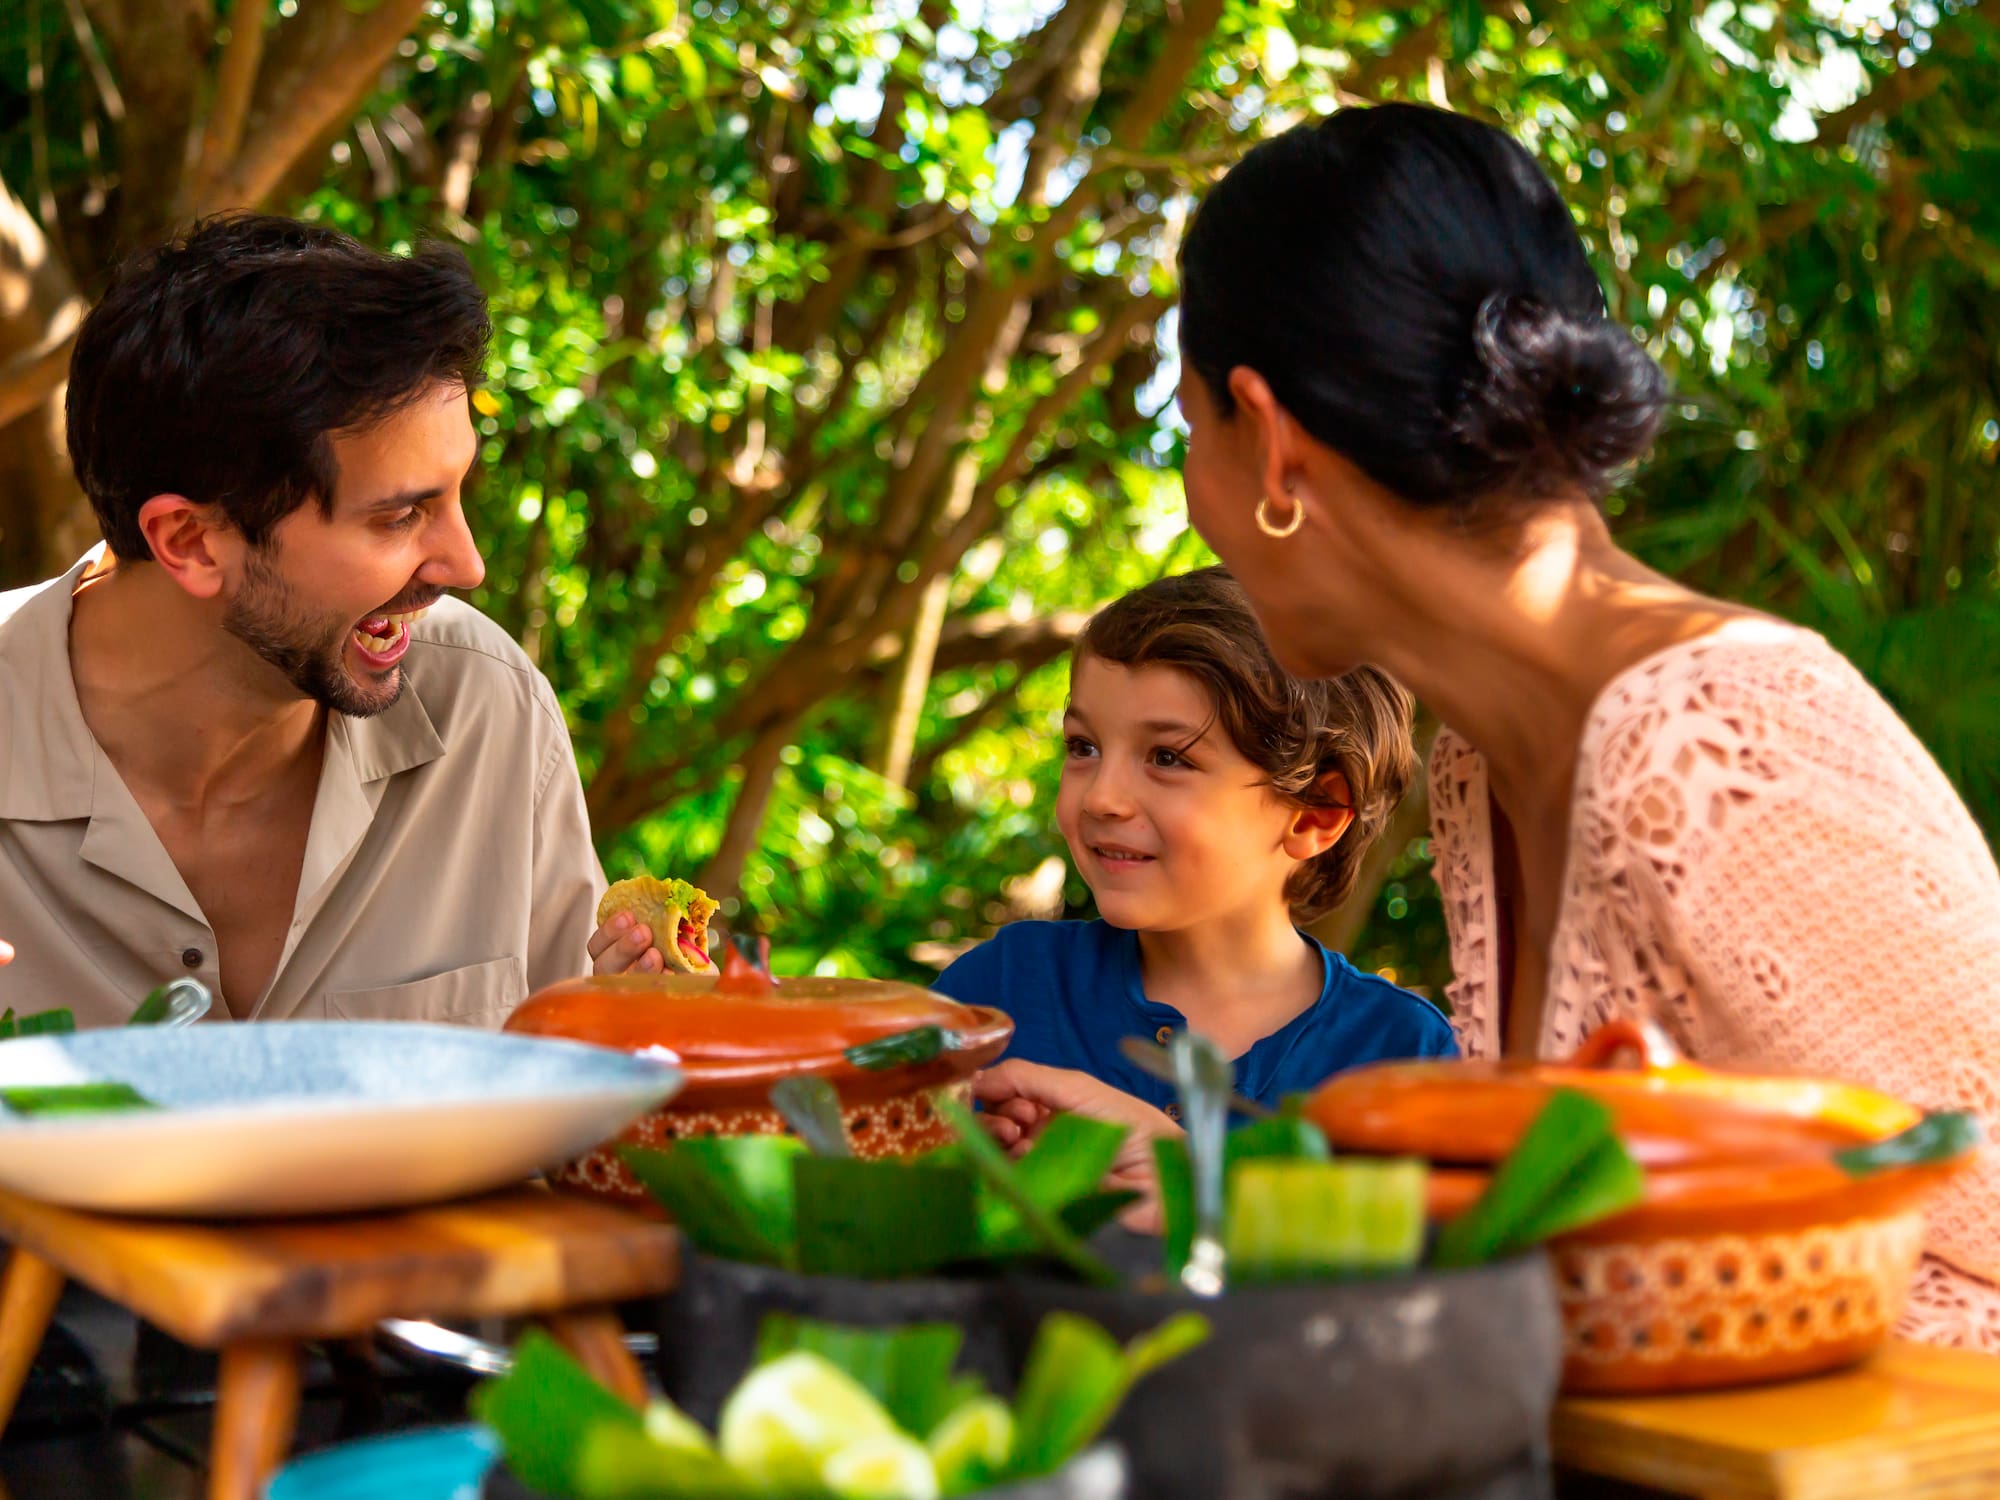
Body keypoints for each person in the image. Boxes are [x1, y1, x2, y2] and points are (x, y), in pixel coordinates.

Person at [1166, 102, 2000, 1346]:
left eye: (1191, 433)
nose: (1191, 499)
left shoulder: (1722, 743)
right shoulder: (1477, 772)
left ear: (1273, 442)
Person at [0, 216, 657, 1027]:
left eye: (455, 495)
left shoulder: (487, 707)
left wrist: (645, 1030)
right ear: (191, 541)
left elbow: (568, 1100)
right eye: (400, 516)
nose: (466, 565)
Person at [939, 566, 1454, 1197]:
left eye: (1168, 758)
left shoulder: (1403, 1052)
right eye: (1083, 747)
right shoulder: (997, 988)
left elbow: (1420, 1284)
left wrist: (1188, 1178)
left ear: (1315, 814)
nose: (1102, 798)